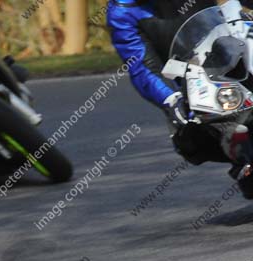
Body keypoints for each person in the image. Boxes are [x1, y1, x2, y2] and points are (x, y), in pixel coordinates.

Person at [107, 0, 253, 197]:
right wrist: (171, 98)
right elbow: (142, 66)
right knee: (191, 131)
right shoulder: (123, 11)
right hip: (193, 84)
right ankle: (242, 158)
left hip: (235, 51)